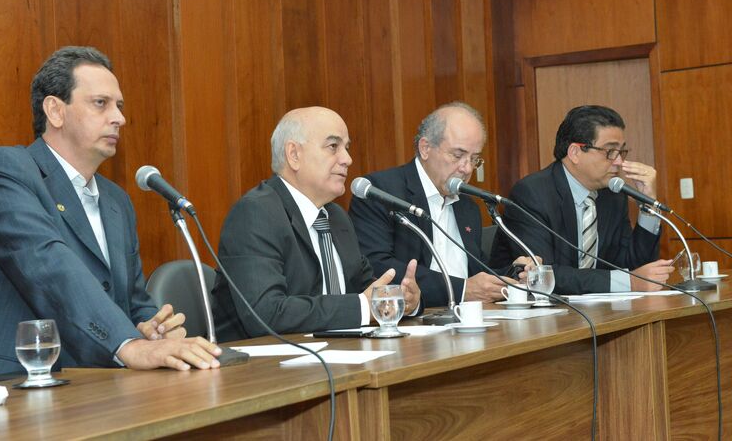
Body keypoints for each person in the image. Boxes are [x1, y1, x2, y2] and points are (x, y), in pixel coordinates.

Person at [0, 46, 222, 386]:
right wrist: (128, 345)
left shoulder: (116, 201)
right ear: (55, 111)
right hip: (16, 383)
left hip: (101, 382)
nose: (119, 118)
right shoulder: (4, 171)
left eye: (119, 106)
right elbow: (49, 267)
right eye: (101, 103)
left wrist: (151, 330)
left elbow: (134, 302)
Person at [212, 107, 421, 341]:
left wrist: (399, 299)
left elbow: (364, 286)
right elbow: (266, 313)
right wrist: (364, 306)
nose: (347, 159)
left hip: (339, 353)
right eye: (333, 146)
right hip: (266, 359)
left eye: (347, 147)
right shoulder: (255, 213)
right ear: (294, 155)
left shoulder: (336, 217)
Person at [349, 102, 529, 306]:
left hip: (468, 316)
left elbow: (473, 274)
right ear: (425, 148)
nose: (467, 168)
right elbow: (377, 266)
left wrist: (513, 273)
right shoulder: (381, 193)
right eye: (458, 155)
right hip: (413, 317)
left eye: (474, 159)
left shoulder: (467, 206)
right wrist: (462, 290)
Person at [490, 105, 673, 294]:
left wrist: (648, 206)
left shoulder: (613, 196)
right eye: (610, 151)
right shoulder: (532, 194)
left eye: (621, 152)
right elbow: (541, 275)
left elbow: (635, 268)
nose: (619, 161)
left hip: (597, 308)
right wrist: (628, 282)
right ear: (575, 153)